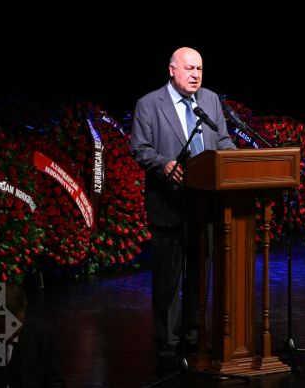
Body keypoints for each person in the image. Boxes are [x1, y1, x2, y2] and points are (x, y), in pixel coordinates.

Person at [130, 46, 236, 371]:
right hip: (169, 204)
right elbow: (140, 148)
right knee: (168, 280)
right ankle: (167, 343)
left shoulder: (210, 100)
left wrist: (237, 160)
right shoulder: (149, 104)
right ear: (172, 70)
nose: (195, 75)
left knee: (199, 276)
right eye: (189, 69)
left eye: (199, 69)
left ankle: (193, 336)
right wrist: (163, 165)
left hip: (205, 205)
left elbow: (222, 140)